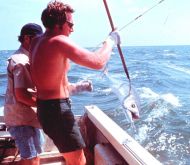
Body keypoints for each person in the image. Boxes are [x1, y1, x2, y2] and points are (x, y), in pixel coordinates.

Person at [30, 1, 120, 164]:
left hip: (44, 109)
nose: (73, 29)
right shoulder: (59, 41)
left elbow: (51, 77)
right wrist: (111, 41)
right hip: (57, 111)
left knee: (72, 155)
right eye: (70, 24)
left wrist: (80, 87)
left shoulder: (36, 42)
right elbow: (98, 62)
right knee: (78, 162)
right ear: (58, 24)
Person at [4, 23, 44, 165]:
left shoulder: (27, 58)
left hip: (29, 118)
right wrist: (46, 105)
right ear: (27, 38)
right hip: (21, 120)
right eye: (39, 39)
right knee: (30, 160)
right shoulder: (20, 61)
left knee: (36, 156)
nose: (41, 43)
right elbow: (21, 95)